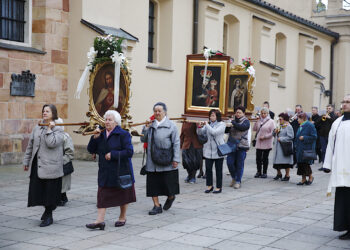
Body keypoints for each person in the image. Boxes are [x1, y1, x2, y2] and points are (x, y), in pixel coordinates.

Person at [86, 110, 136, 230]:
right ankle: (99, 221)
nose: (107, 122)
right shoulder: (101, 133)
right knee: (102, 194)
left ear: (116, 122)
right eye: (106, 119)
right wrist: (94, 137)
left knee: (123, 194)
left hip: (121, 170)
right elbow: (90, 149)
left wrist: (113, 154)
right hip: (105, 170)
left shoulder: (123, 134)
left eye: (110, 120)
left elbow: (129, 152)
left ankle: (122, 217)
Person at [23, 104, 64, 227]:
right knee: (39, 191)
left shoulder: (59, 128)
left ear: (53, 113)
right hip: (38, 164)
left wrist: (50, 130)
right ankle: (47, 211)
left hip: (51, 166)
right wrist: (26, 161)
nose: (44, 113)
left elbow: (52, 143)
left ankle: (48, 215)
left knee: (50, 192)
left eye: (47, 111)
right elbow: (30, 145)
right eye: (43, 111)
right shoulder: (38, 127)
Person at [141, 102, 180, 215]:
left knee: (168, 184)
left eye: (159, 111)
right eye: (155, 111)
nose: (157, 113)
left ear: (165, 112)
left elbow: (176, 143)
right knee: (152, 183)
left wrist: (176, 159)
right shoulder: (150, 125)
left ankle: (171, 197)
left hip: (167, 158)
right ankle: (156, 205)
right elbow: (143, 140)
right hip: (152, 160)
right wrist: (146, 129)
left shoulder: (171, 126)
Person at [323, 94, 350, 240]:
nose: (344, 104)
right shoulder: (337, 122)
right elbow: (330, 145)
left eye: (348, 102)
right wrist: (327, 164)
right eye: (343, 101)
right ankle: (346, 227)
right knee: (344, 201)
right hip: (341, 168)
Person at [197, 109, 226, 193]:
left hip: (218, 150)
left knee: (218, 170)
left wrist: (206, 125)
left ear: (217, 116)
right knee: (208, 169)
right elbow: (200, 133)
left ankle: (218, 187)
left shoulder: (222, 124)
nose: (211, 117)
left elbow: (214, 133)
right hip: (208, 150)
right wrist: (199, 126)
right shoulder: (208, 125)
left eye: (213, 115)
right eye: (210, 115)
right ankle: (209, 186)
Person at [226, 106, 250, 189]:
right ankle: (234, 177)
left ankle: (238, 181)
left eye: (239, 112)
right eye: (236, 112)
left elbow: (242, 127)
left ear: (243, 113)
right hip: (231, 145)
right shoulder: (232, 121)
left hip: (241, 145)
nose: (238, 114)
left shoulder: (246, 121)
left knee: (239, 164)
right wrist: (227, 126)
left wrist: (233, 123)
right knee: (229, 162)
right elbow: (226, 131)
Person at [294, 113, 317, 185]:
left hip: (307, 148)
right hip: (300, 148)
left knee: (305, 164)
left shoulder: (310, 125)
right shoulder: (301, 125)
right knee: (300, 164)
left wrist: (304, 138)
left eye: (298, 119)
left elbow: (314, 137)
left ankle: (310, 177)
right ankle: (303, 179)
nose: (297, 120)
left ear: (303, 119)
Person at [55, 119, 74, 207]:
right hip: (52, 165)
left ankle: (62, 197)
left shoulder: (65, 137)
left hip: (62, 165)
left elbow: (70, 153)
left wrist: (60, 161)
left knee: (62, 184)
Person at [253, 107, 275, 178]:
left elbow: (273, 133)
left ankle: (264, 172)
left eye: (264, 113)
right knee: (258, 158)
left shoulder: (271, 121)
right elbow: (255, 129)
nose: (263, 115)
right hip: (259, 141)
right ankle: (258, 171)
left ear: (267, 114)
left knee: (265, 158)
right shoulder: (259, 120)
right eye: (262, 113)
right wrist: (256, 121)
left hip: (267, 142)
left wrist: (265, 136)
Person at [272, 113, 294, 181]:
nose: (279, 120)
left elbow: (291, 137)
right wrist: (274, 132)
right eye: (279, 119)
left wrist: (281, 139)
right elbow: (273, 134)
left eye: (280, 119)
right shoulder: (279, 126)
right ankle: (279, 174)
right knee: (276, 161)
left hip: (285, 146)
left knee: (286, 162)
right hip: (278, 146)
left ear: (285, 119)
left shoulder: (288, 126)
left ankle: (287, 175)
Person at [317, 104, 336, 169]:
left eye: (329, 108)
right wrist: (321, 118)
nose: (328, 110)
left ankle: (331, 165)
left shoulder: (334, 116)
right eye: (327, 108)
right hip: (322, 135)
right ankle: (324, 165)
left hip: (330, 135)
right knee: (323, 150)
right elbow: (317, 123)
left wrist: (329, 118)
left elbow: (335, 123)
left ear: (332, 109)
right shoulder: (323, 116)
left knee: (331, 150)